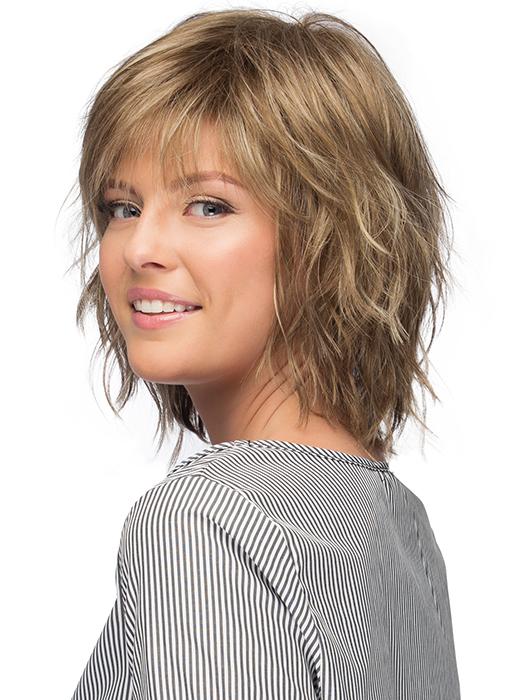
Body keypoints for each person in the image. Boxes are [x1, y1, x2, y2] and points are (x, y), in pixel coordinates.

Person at [69, 8, 461, 699]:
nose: (139, 248)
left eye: (208, 206)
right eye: (122, 207)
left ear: (330, 238)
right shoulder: (400, 529)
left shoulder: (204, 522)